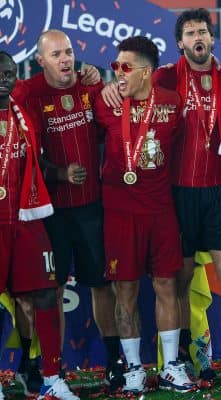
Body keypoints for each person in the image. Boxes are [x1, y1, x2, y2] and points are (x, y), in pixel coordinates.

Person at [101, 8, 221, 380]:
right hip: (177, 196)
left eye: (202, 31)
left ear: (211, 37)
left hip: (218, 192)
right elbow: (129, 87)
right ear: (180, 43)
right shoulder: (166, 77)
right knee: (178, 281)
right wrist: (107, 84)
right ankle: (183, 357)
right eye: (189, 33)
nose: (197, 37)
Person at [10, 29, 122, 392]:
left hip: (91, 208)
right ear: (40, 61)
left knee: (102, 286)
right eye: (56, 54)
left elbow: (117, 130)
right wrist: (59, 173)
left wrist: (99, 77)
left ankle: (114, 360)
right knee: (47, 292)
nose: (65, 59)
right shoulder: (27, 94)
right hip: (48, 214)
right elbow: (23, 146)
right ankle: (39, 367)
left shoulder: (92, 88)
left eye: (70, 52)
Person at [93, 36, 194, 394]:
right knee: (127, 291)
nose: (118, 73)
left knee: (167, 285)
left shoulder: (170, 101)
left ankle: (169, 366)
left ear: (146, 71)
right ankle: (134, 367)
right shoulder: (104, 103)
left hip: (160, 210)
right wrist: (103, 81)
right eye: (114, 67)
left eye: (125, 67)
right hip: (120, 214)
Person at [0, 50, 79, 400]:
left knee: (47, 293)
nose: (5, 78)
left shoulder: (25, 111)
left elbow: (36, 158)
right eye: (0, 72)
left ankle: (50, 376)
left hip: (28, 217)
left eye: (10, 72)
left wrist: (60, 173)